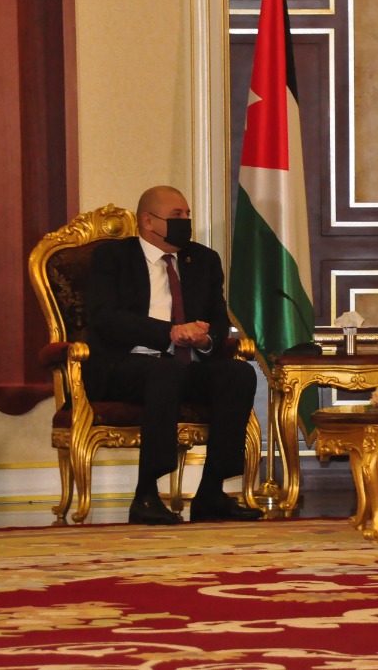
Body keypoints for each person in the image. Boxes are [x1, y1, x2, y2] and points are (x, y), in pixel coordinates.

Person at [84, 185, 263, 524]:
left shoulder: (203, 260)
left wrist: (204, 338)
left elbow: (219, 320)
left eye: (188, 214)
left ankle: (211, 493)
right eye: (177, 215)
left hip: (185, 365)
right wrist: (168, 332)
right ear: (148, 221)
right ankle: (146, 495)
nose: (186, 222)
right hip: (124, 366)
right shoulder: (113, 258)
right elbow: (104, 317)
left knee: (238, 374)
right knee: (164, 372)